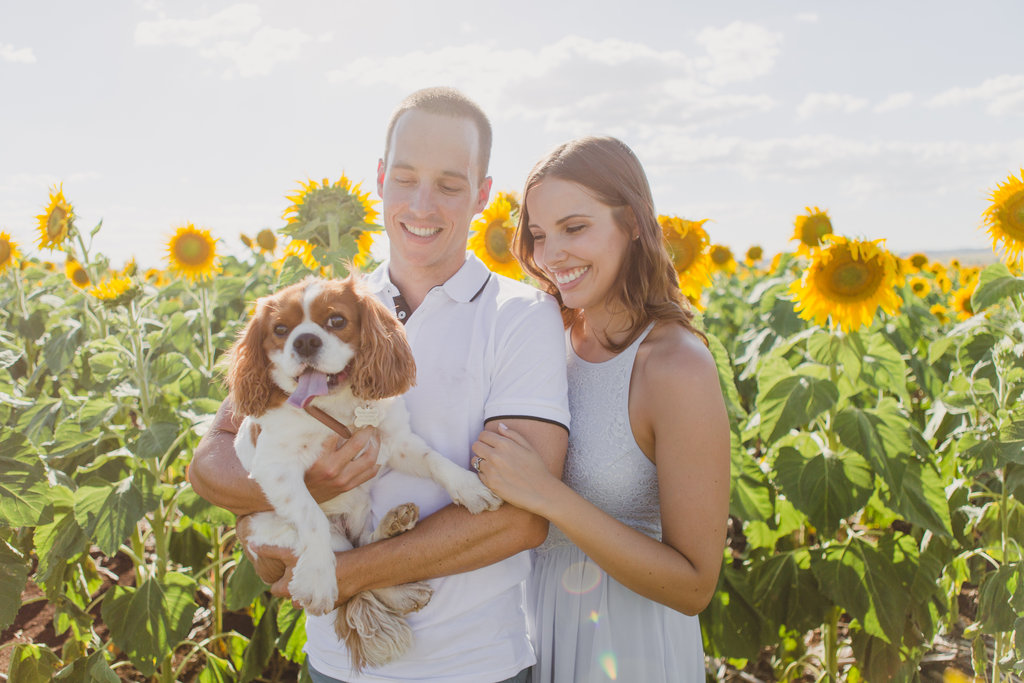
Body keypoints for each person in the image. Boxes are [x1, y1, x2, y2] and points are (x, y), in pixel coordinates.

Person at [187, 87, 570, 683]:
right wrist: (303, 486)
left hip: (474, 665)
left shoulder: (520, 315)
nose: (422, 203)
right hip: (337, 662)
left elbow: (521, 518)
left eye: (449, 184)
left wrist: (344, 572)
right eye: (406, 177)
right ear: (381, 178)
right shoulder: (331, 308)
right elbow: (210, 464)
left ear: (483, 195)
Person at [471, 136, 730, 682]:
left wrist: (548, 496)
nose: (550, 255)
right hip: (527, 633)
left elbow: (694, 585)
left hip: (626, 644)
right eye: (539, 236)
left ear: (633, 222)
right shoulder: (542, 338)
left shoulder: (675, 365)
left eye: (575, 227)